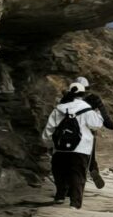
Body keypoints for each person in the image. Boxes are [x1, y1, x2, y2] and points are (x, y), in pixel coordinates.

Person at [43, 79, 106, 207]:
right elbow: (96, 125)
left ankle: (60, 195)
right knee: (77, 174)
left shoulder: (59, 109)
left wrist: (49, 143)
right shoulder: (86, 109)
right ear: (83, 94)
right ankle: (75, 203)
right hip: (81, 148)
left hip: (60, 148)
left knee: (60, 172)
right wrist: (99, 113)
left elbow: (49, 129)